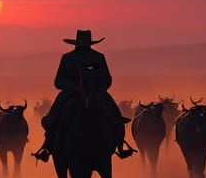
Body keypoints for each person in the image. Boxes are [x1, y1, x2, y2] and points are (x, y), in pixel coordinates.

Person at [33, 30, 133, 161]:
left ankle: (120, 144)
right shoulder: (68, 58)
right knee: (53, 119)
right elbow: (58, 81)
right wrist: (74, 87)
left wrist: (98, 88)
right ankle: (48, 146)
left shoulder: (99, 57)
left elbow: (107, 79)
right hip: (72, 93)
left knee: (116, 117)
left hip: (96, 93)